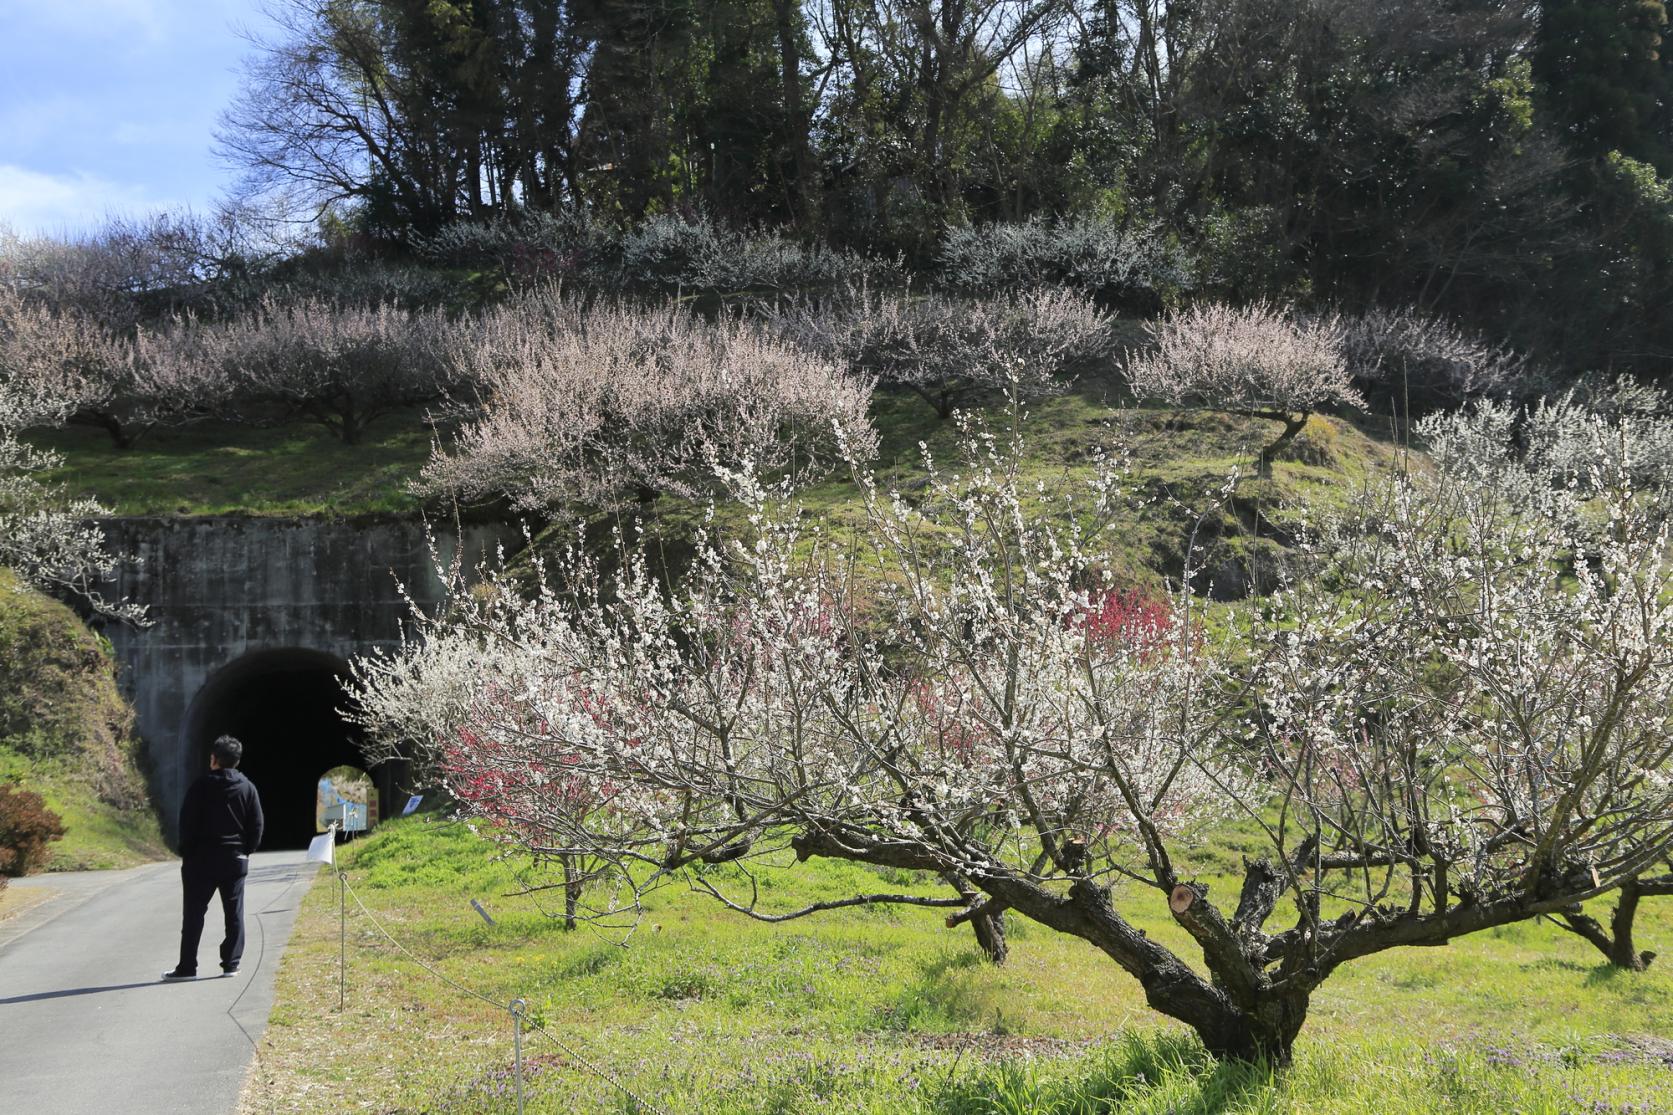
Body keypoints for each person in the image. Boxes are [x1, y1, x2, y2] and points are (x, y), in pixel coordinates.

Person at [163, 734, 264, 980]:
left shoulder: (200, 786)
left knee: (194, 914)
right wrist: (245, 851)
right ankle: (231, 963)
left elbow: (186, 823)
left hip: (201, 860)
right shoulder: (248, 788)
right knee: (234, 912)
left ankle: (187, 967)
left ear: (214, 759)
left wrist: (187, 852)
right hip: (234, 858)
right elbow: (257, 824)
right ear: (237, 761)